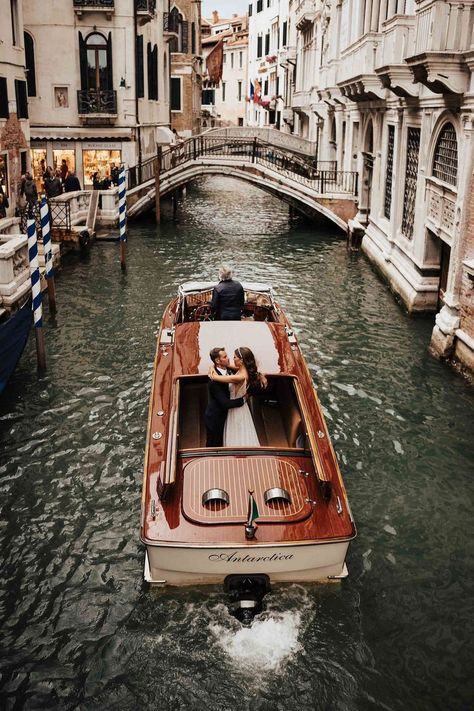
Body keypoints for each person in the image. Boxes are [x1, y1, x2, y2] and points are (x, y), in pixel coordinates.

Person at [209, 347, 267, 447]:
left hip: (235, 409)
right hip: (241, 409)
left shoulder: (240, 376)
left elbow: (215, 377)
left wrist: (212, 374)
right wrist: (261, 374)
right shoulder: (243, 370)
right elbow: (226, 366)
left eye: (234, 357)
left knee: (236, 436)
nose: (232, 359)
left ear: (241, 360)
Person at [204, 347, 246, 447]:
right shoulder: (213, 382)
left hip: (227, 415)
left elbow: (246, 369)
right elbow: (225, 403)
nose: (229, 359)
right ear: (218, 361)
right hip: (215, 418)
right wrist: (243, 400)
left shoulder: (229, 369)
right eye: (225, 357)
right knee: (214, 445)